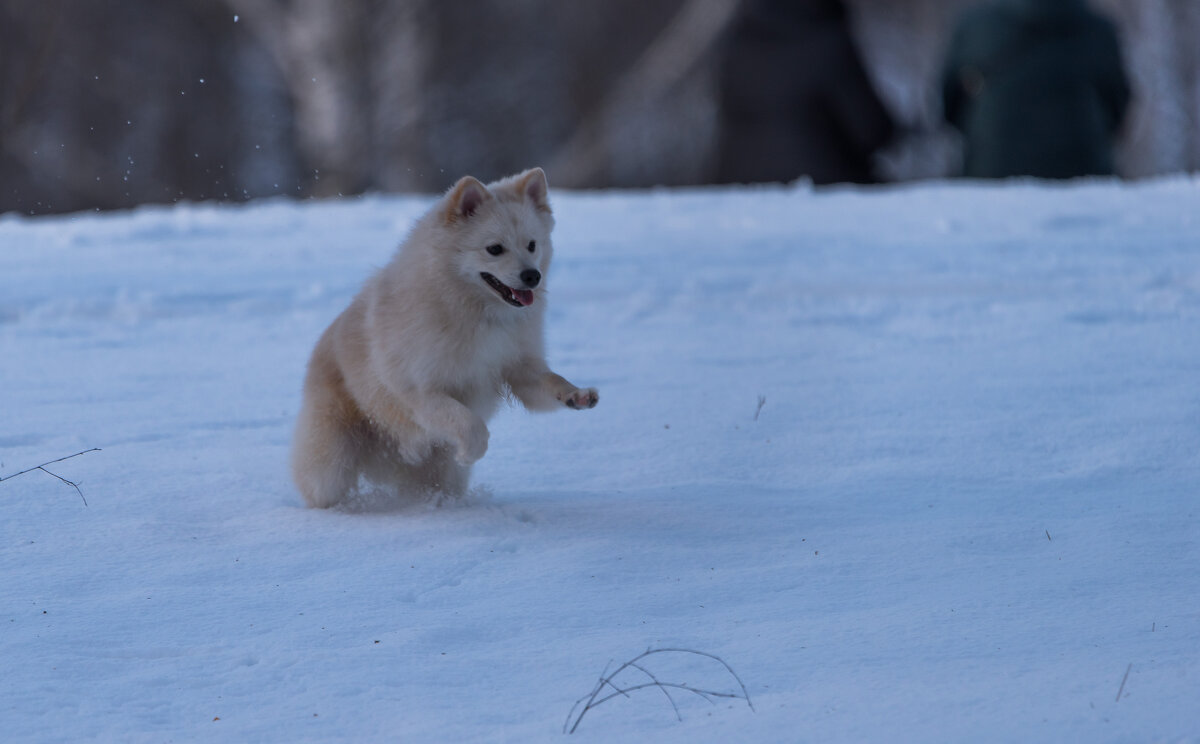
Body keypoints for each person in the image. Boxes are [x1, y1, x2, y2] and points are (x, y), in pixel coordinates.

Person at [941, 0, 1131, 179]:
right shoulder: (1099, 30)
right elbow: (1117, 106)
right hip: (1085, 172)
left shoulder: (975, 27)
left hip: (990, 174)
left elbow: (950, 107)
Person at [715, 0, 896, 185]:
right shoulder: (829, 41)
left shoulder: (739, 39)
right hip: (822, 183)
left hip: (738, 181)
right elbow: (872, 130)